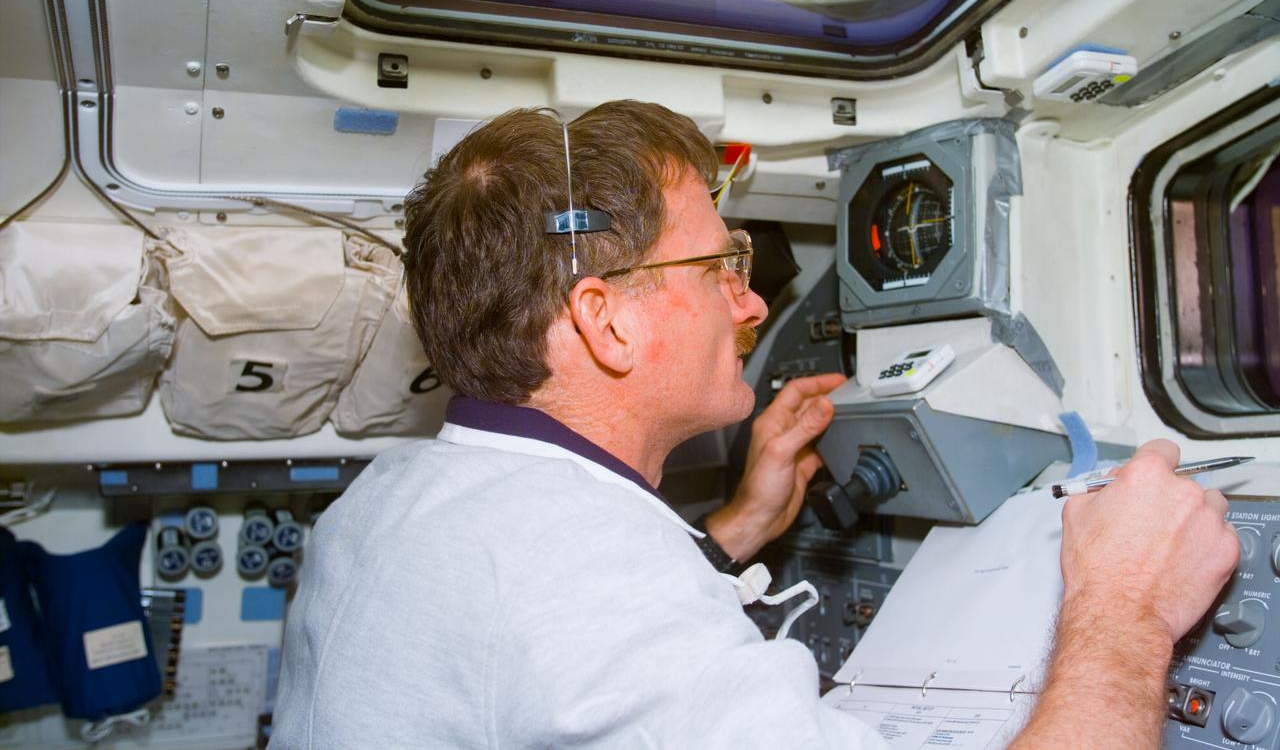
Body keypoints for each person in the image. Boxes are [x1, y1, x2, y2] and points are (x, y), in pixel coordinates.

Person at [271, 101, 1239, 748]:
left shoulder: (396, 494)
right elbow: (577, 621)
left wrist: (737, 527)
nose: (746, 306)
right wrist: (1124, 605)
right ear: (604, 320)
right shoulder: (577, 581)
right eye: (717, 267)